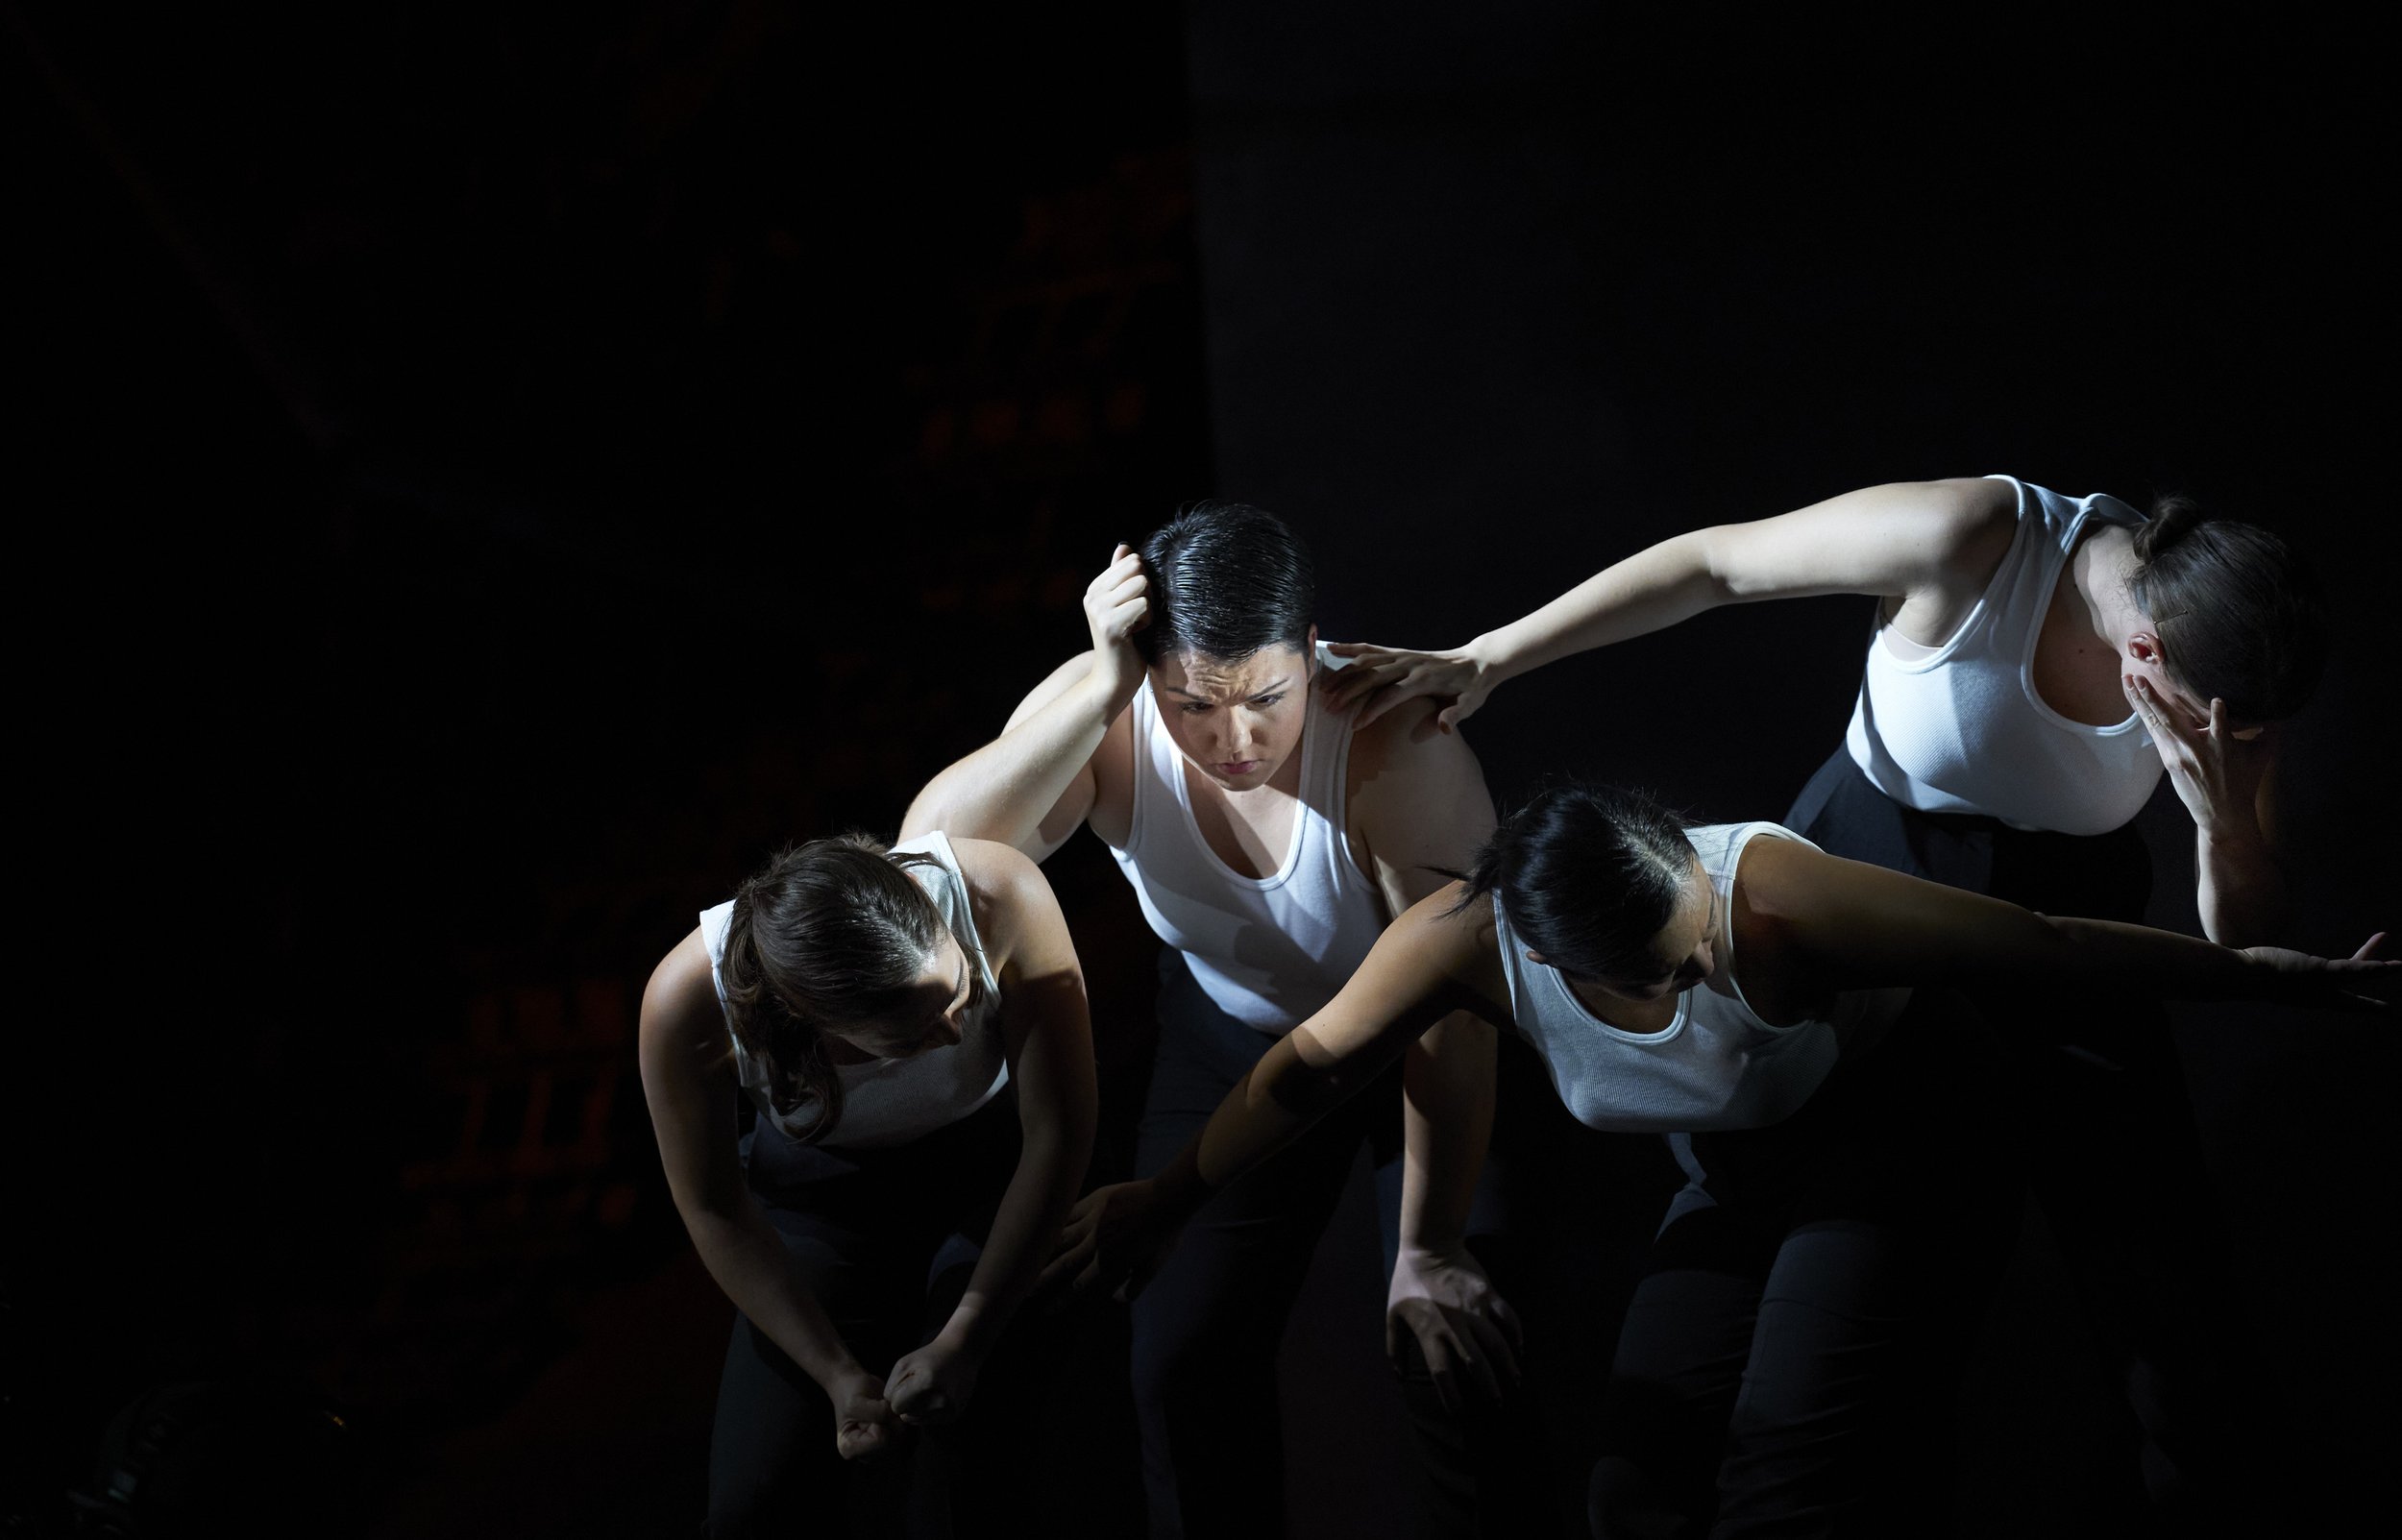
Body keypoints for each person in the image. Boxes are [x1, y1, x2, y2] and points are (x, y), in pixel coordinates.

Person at [1321, 474, 2332, 1524]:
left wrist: (2224, 820)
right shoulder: (1981, 536)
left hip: (2070, 921)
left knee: (2168, 1304)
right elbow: (1717, 563)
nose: (2240, 742)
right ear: (2147, 657)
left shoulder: (2233, 658)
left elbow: (2243, 935)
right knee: (1818, 1251)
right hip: (1867, 877)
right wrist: (1492, 655)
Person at [1049, 781, 2392, 1534]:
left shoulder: (1768, 897)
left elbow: (2051, 940)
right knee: (1631, 1490)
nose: (1701, 966)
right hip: (1738, 1173)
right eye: (1666, 965)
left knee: (1784, 1474)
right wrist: (1166, 1193)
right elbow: (1307, 1065)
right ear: (1562, 958)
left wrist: (2269, 972)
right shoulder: (1470, 938)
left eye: (1695, 934)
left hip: (1897, 1138)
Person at [901, 501, 1525, 1537]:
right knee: (1178, 1358)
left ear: (1310, 649)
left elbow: (1451, 1012)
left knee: (1457, 1348)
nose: (1233, 739)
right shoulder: (1110, 711)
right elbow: (930, 865)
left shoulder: (1392, 744)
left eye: (1266, 699)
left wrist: (1431, 1240)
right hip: (1231, 1034)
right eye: (1193, 703)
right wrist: (1102, 683)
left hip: (1427, 1043)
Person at [638, 829, 1099, 1537]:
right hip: (820, 1200)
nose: (955, 1028)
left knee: (988, 1465)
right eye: (913, 1035)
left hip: (992, 1171)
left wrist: (965, 1339)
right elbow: (712, 1206)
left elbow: (1059, 1131)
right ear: (817, 1023)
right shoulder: (688, 1001)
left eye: (962, 992)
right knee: (754, 1501)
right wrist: (837, 1375)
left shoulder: (997, 892)